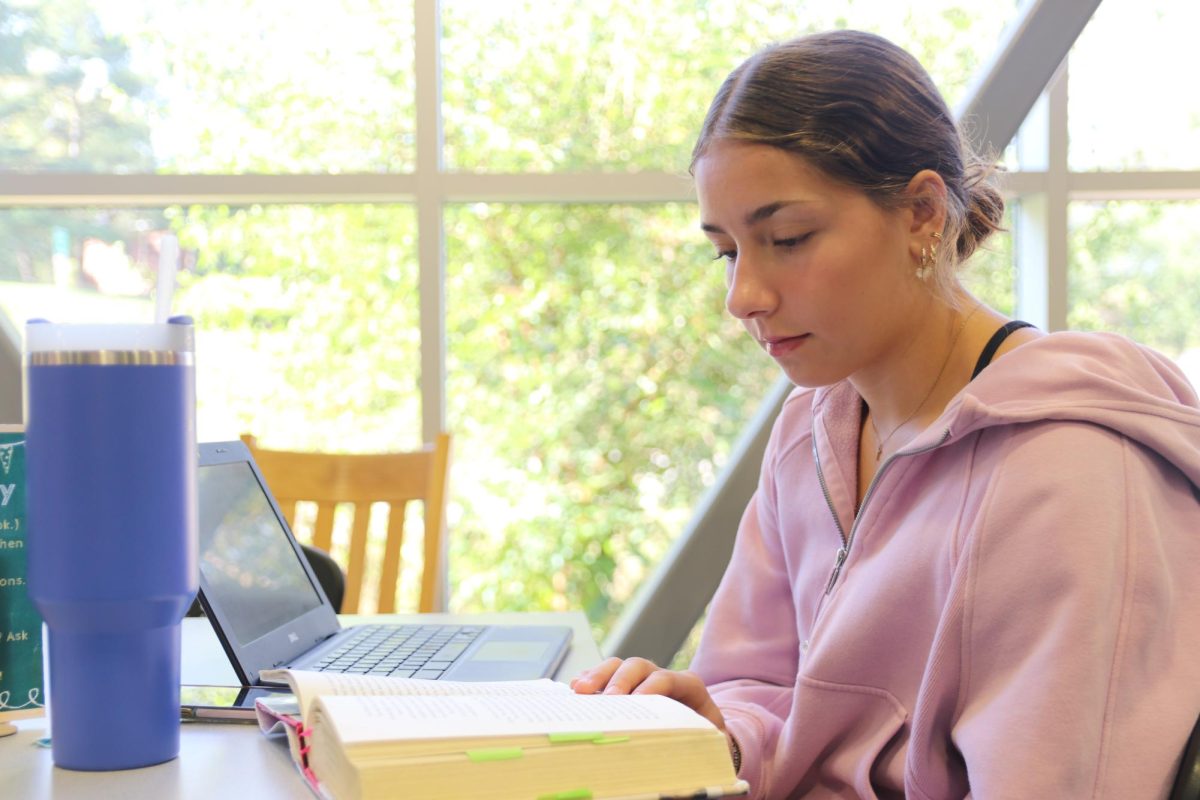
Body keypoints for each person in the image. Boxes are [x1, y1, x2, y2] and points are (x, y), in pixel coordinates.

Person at [571, 29, 1200, 799]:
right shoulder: (807, 439)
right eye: (728, 251)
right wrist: (719, 735)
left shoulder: (1070, 470)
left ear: (924, 214)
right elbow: (756, 687)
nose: (744, 298)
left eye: (788, 238)